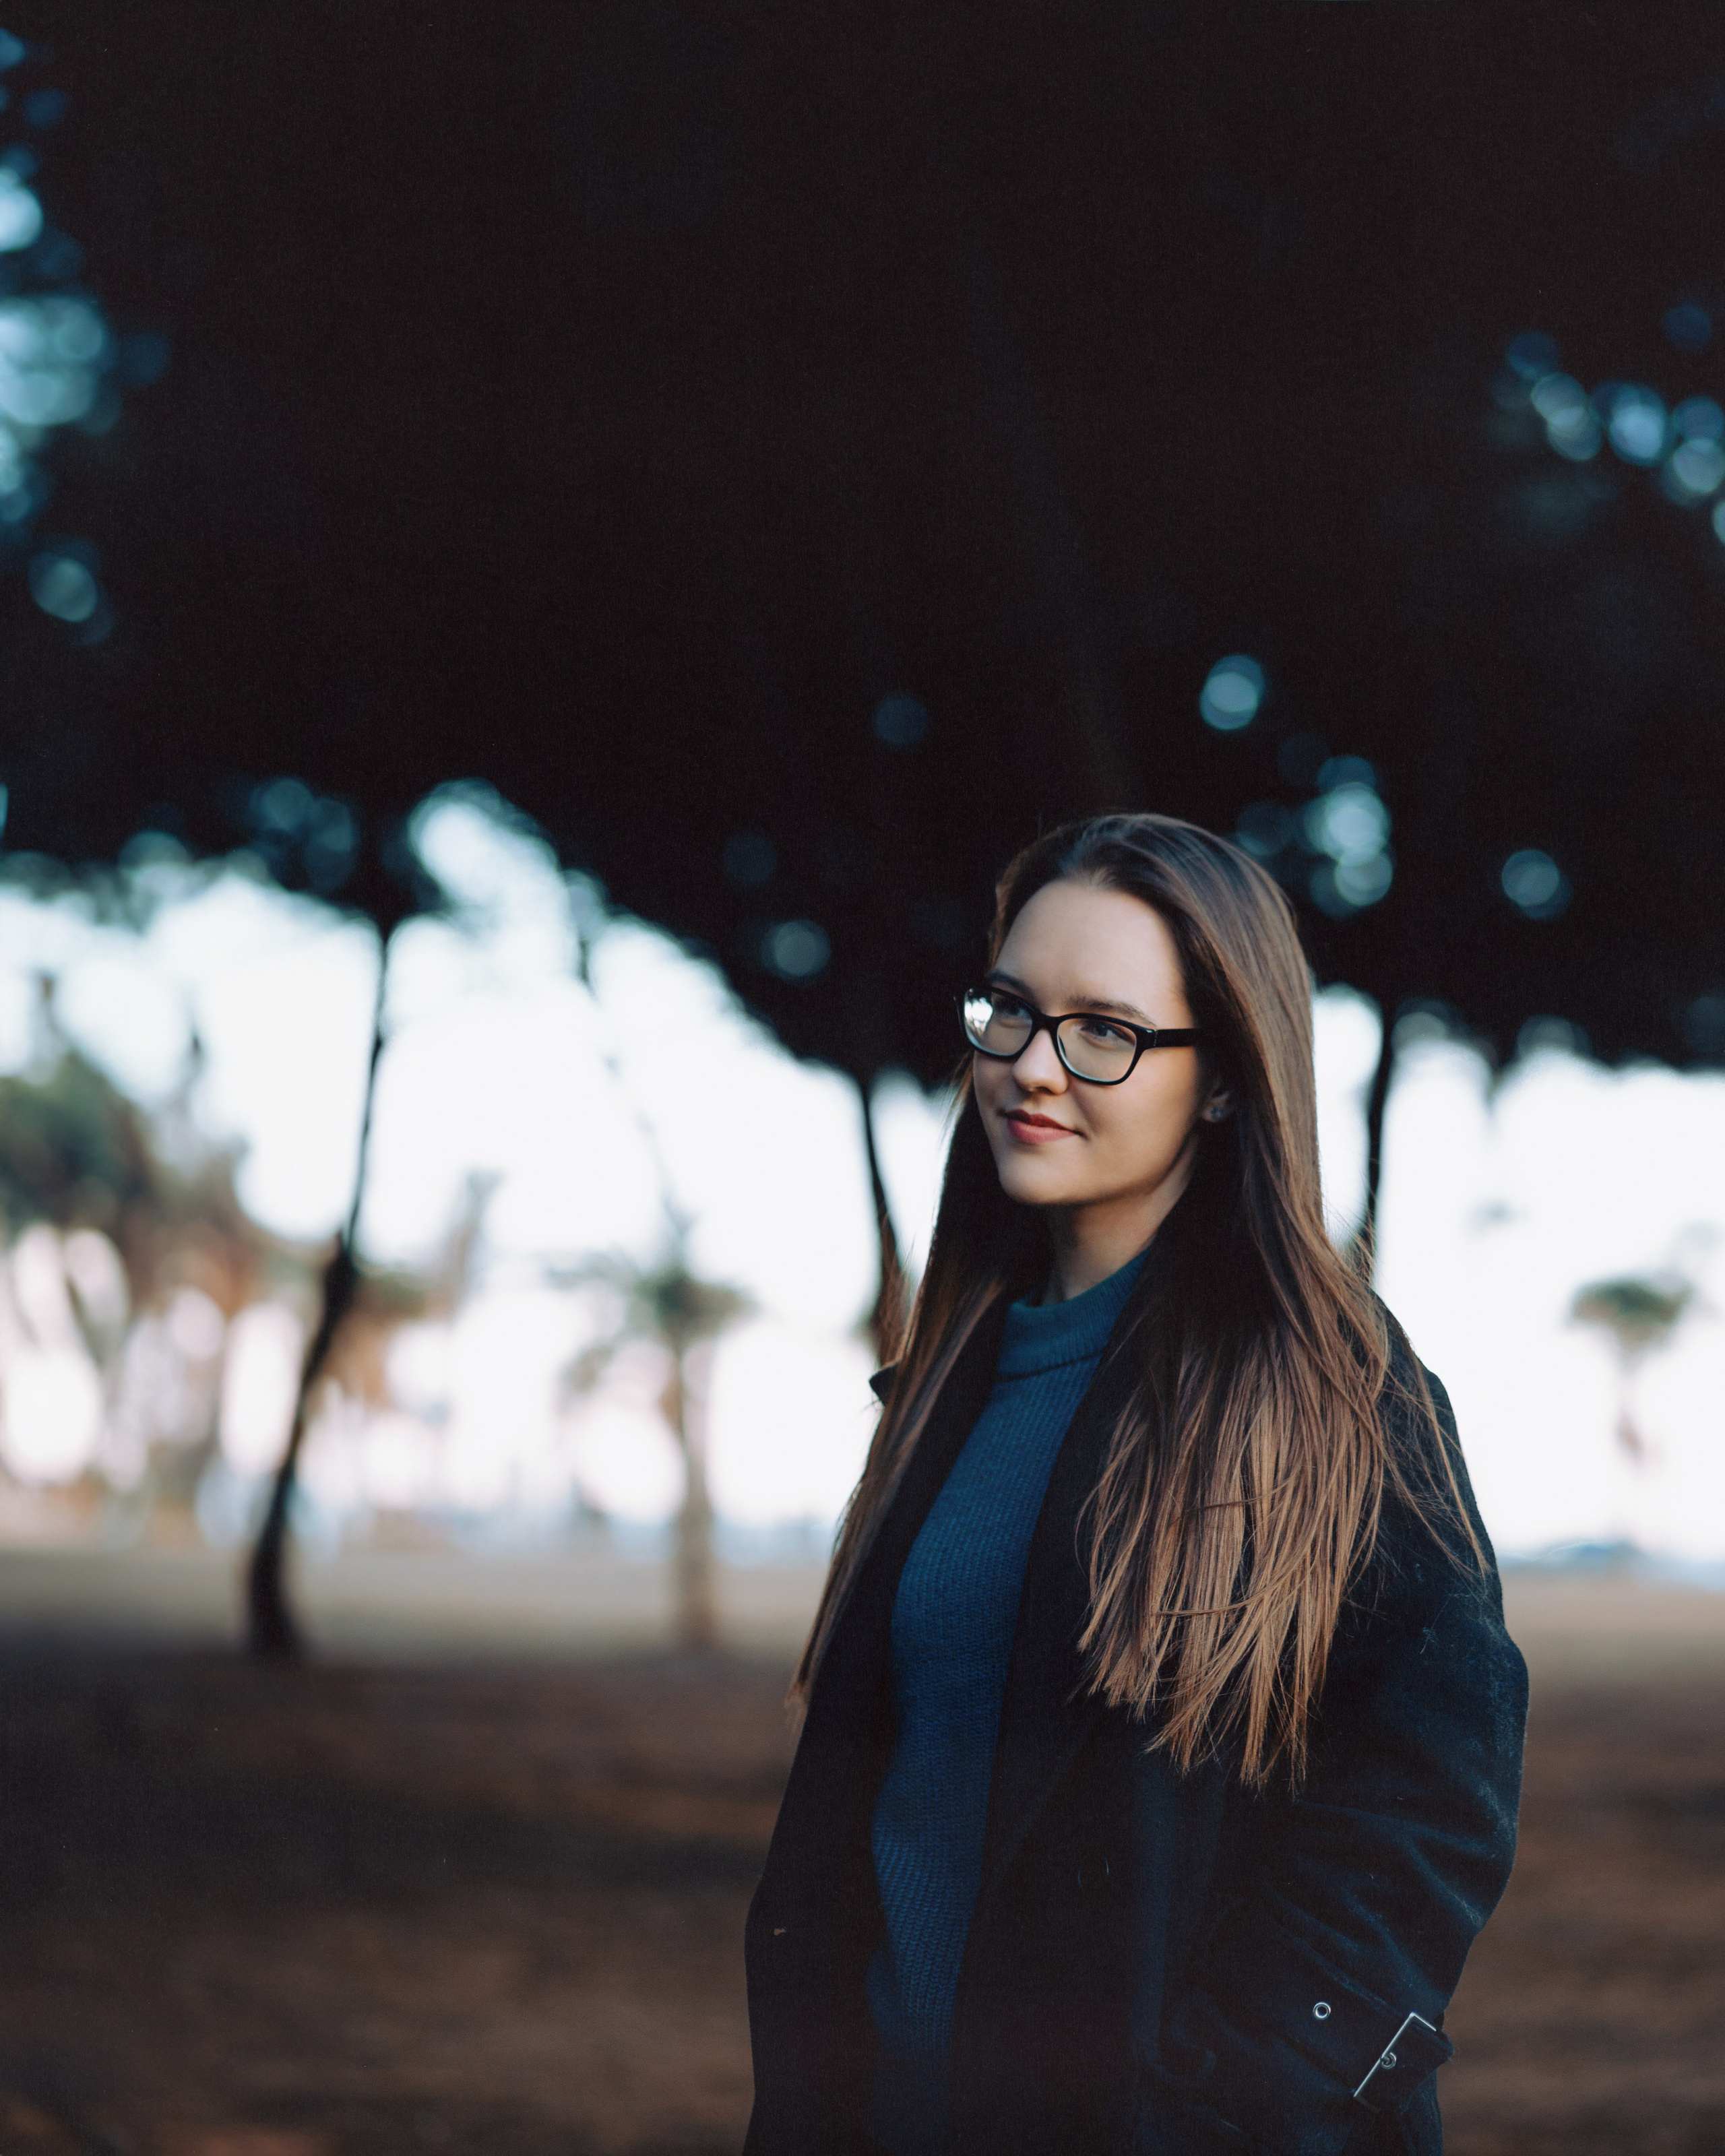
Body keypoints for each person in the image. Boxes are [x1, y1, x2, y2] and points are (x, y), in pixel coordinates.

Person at [742, 812, 1528, 2156]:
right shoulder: (944, 1376)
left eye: (1102, 1030)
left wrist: (1219, 2101)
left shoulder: (1334, 1394)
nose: (1030, 1069)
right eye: (1009, 1008)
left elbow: (1424, 1808)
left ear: (1220, 1076)